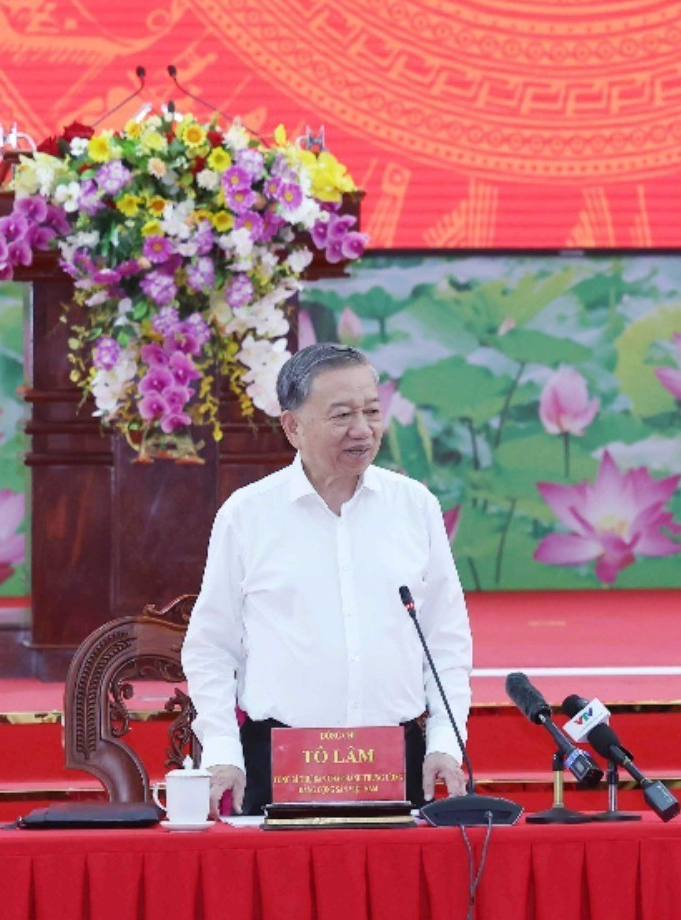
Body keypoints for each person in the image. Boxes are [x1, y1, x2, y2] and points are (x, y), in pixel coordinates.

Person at [183, 343, 474, 816]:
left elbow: (445, 638)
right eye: (341, 415)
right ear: (292, 426)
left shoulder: (414, 506)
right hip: (279, 762)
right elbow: (211, 647)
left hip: (394, 760)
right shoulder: (248, 515)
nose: (363, 429)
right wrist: (221, 751)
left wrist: (444, 739)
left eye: (372, 411)